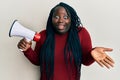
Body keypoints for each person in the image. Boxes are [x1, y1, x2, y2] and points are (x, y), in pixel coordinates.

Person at [17, 2, 114, 80]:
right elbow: (38, 61)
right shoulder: (43, 35)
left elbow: (85, 61)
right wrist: (27, 50)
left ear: (71, 19)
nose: (60, 20)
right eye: (56, 17)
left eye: (65, 17)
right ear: (51, 19)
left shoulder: (81, 33)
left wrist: (92, 53)